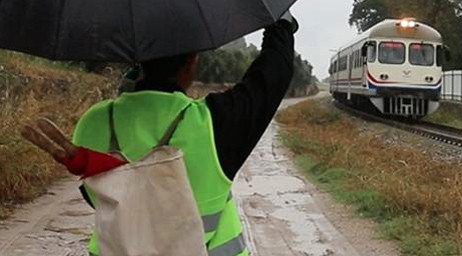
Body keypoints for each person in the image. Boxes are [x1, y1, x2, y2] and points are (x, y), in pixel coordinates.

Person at [26, 17, 297, 256]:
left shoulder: (95, 121)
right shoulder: (215, 123)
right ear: (190, 63)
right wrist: (281, 25)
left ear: (137, 62)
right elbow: (272, 75)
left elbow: (96, 198)